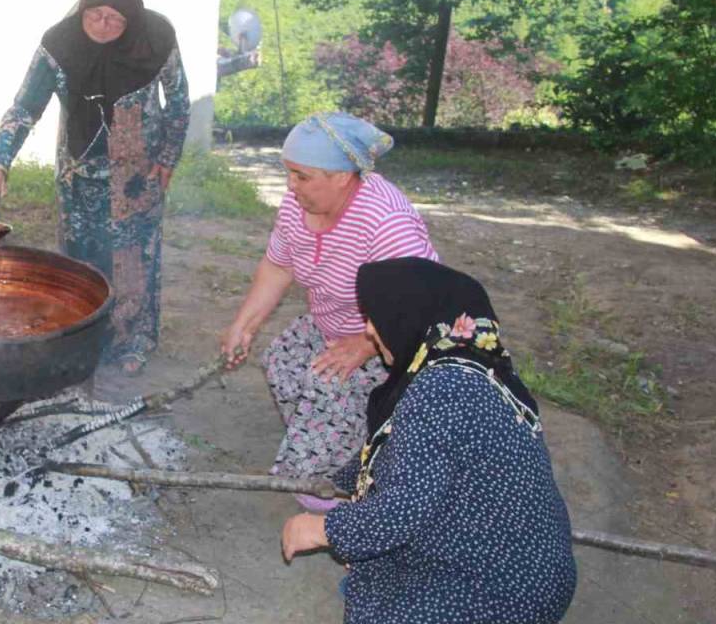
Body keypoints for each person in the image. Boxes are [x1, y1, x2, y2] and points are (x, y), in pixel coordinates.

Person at [281, 257, 577, 623]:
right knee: (371, 563)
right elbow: (400, 452)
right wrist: (335, 482)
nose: (370, 330)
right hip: (530, 564)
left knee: (378, 604)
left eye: (377, 318)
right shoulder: (473, 366)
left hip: (503, 587)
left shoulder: (441, 391)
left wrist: (320, 529)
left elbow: (399, 511)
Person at [219, 112, 437, 509]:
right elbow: (279, 266)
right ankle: (333, 439)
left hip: (391, 345)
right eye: (288, 172)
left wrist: (366, 343)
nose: (290, 185)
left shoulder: (386, 222)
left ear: (341, 176)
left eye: (302, 176)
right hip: (330, 324)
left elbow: (422, 304)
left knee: (325, 390)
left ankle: (343, 491)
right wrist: (243, 325)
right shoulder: (294, 208)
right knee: (283, 361)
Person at [0, 0, 189, 375]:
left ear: (134, 16)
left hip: (138, 177)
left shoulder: (156, 36)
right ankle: (83, 339)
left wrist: (168, 156)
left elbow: (177, 101)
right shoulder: (59, 44)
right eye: (95, 14)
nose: (104, 25)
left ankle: (131, 343)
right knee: (79, 258)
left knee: (133, 257)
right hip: (79, 173)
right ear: (83, 8)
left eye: (116, 18)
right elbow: (24, 107)